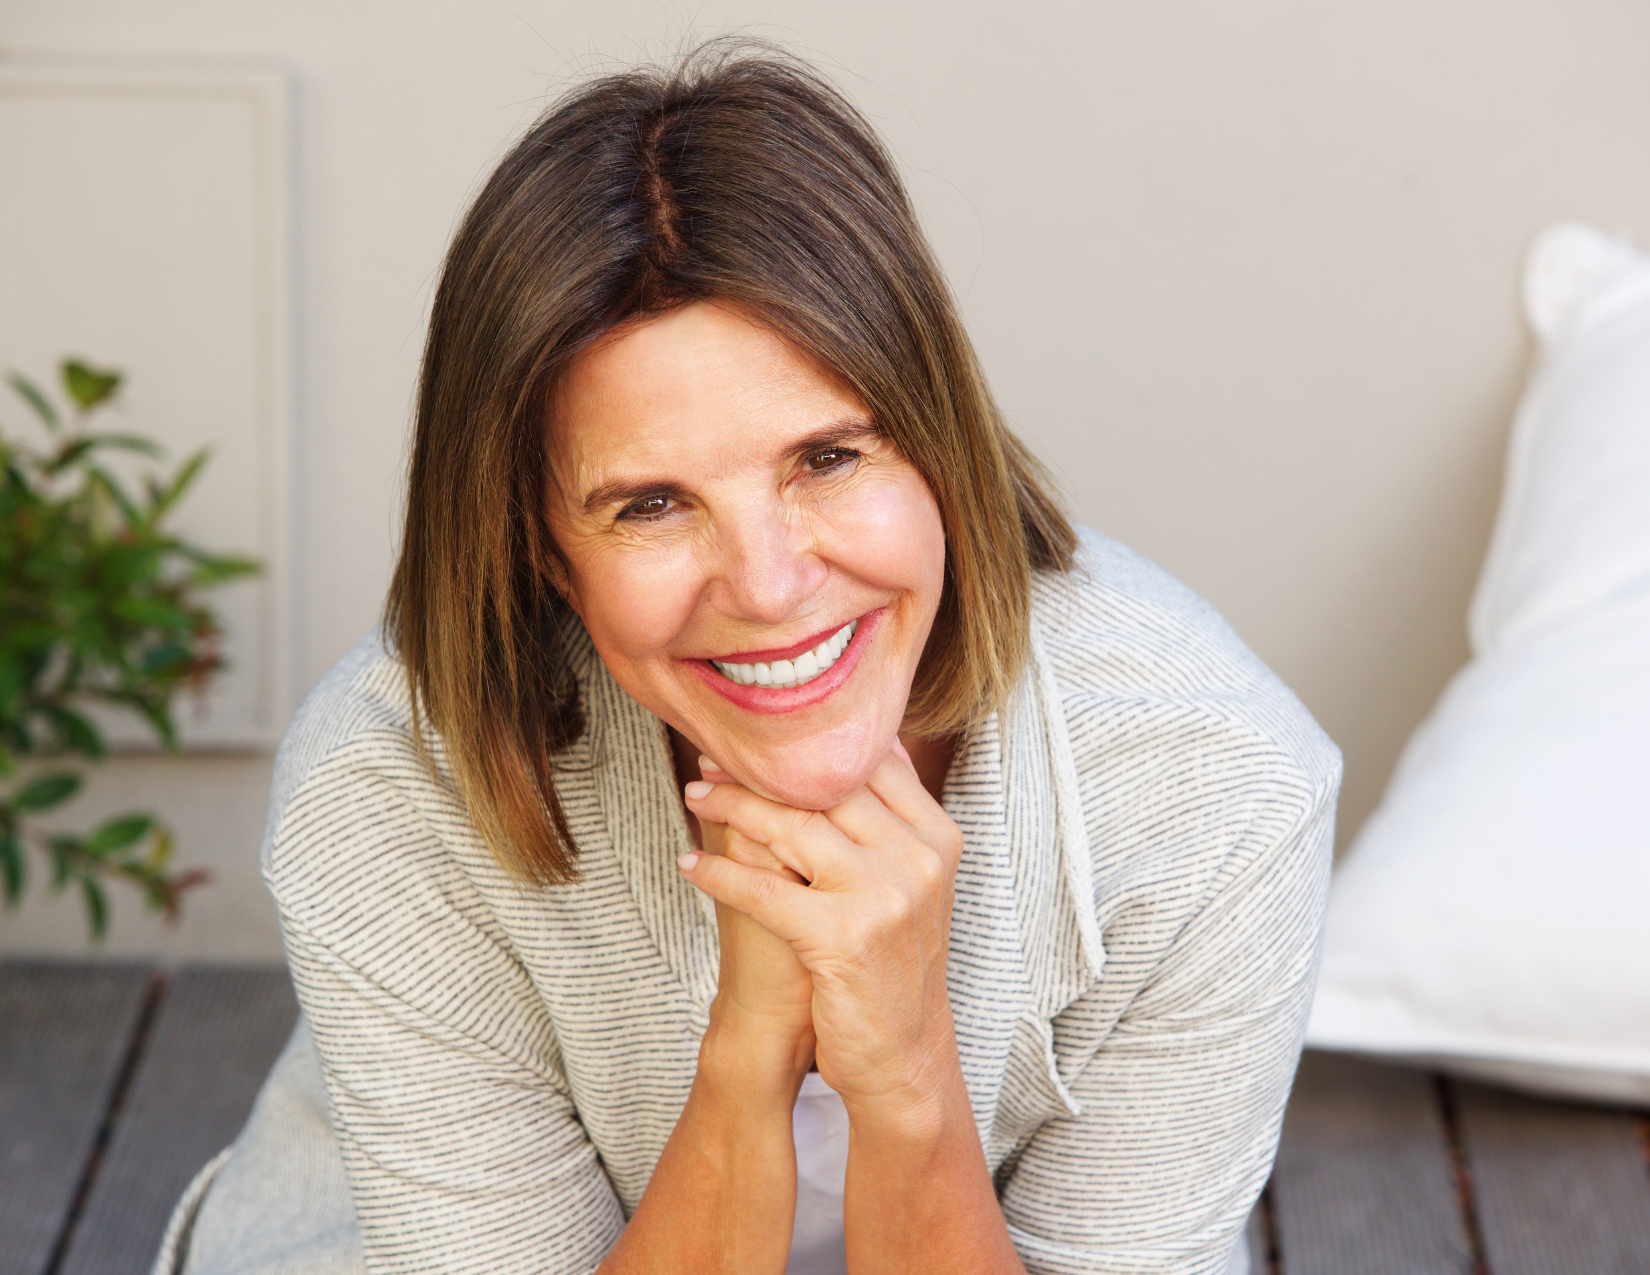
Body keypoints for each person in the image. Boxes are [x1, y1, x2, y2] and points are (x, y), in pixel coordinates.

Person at [154, 42, 1340, 1275]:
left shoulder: (1219, 786)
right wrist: (746, 1050)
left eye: (829, 458)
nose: (770, 589)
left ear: (942, 448)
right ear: (544, 553)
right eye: (650, 505)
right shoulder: (389, 782)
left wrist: (908, 1078)